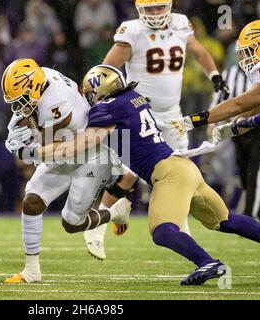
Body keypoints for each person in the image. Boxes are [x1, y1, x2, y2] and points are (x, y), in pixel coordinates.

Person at [17, 64, 260, 284]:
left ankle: (207, 262)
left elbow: (82, 144)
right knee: (224, 220)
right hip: (183, 167)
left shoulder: (106, 109)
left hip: (168, 173)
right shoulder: (134, 97)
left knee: (162, 231)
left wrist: (35, 151)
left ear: (96, 91)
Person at [83, 0, 230, 259]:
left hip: (173, 113)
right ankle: (97, 226)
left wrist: (215, 76)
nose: (155, 13)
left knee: (180, 172)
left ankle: (180, 228)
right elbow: (106, 70)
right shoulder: (132, 31)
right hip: (138, 110)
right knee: (129, 175)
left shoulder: (181, 23)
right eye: (149, 9)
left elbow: (200, 52)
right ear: (140, 10)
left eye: (160, 7)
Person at [2, 58, 132, 283]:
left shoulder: (57, 103)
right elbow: (28, 113)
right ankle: (31, 271)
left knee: (72, 223)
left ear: (34, 87)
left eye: (21, 99)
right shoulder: (40, 77)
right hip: (67, 145)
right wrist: (15, 130)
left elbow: (53, 149)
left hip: (91, 156)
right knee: (31, 201)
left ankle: (116, 212)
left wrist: (25, 151)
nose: (18, 106)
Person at [162, 20, 260, 226]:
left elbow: (241, 103)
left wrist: (195, 120)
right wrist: (236, 125)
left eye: (250, 50)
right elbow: (257, 106)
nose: (246, 58)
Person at [208, 63, 260, 228]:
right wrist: (211, 123)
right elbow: (219, 98)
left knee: (254, 174)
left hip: (259, 127)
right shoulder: (229, 72)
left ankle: (250, 219)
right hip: (236, 129)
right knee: (245, 175)